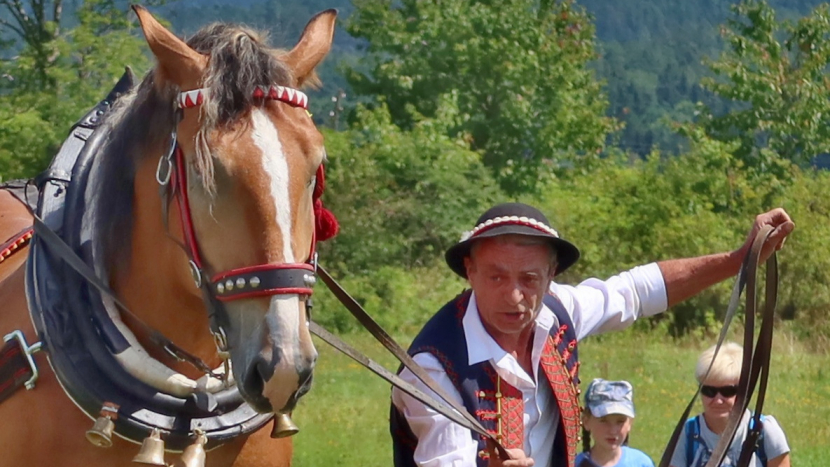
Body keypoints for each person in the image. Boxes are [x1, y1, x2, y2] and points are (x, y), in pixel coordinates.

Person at [389, 202, 794, 467]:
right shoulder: (433, 369)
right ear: (469, 271)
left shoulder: (558, 309)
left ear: (551, 277)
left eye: (529, 278)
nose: (514, 296)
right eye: (496, 276)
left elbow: (638, 290)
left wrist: (739, 260)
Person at [669, 343, 791, 467]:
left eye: (728, 391)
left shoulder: (764, 431)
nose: (718, 400)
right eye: (709, 391)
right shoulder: (687, 432)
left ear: (745, 391)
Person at [577, 379, 653, 467]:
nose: (613, 431)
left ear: (630, 423)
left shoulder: (641, 463)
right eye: (603, 421)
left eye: (620, 421)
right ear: (586, 421)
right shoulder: (573, 464)